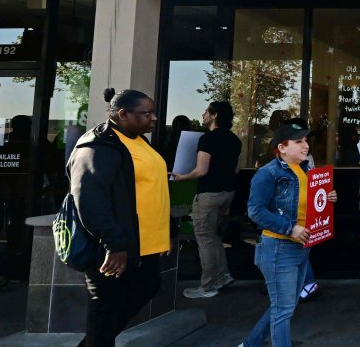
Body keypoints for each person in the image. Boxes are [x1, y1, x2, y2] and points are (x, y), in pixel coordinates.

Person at [68, 88, 170, 347]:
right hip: (112, 246)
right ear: (122, 114)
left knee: (147, 285)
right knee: (105, 309)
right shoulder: (98, 145)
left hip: (140, 244)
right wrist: (113, 243)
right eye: (146, 113)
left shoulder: (135, 139)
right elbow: (90, 198)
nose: (154, 118)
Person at [242, 120, 337, 347]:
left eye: (305, 141)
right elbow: (255, 211)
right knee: (283, 309)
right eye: (298, 141)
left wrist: (327, 198)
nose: (305, 146)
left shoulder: (305, 170)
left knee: (285, 306)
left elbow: (308, 205)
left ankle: (251, 343)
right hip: (278, 248)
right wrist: (290, 228)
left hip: (301, 246)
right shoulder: (268, 173)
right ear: (281, 147)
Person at [171, 100, 242, 299]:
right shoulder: (235, 140)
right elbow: (236, 170)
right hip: (227, 194)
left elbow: (201, 170)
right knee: (213, 236)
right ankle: (223, 276)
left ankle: (208, 285)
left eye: (206, 112)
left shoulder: (207, 139)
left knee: (204, 239)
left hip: (209, 194)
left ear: (214, 115)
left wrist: (181, 177)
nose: (202, 115)